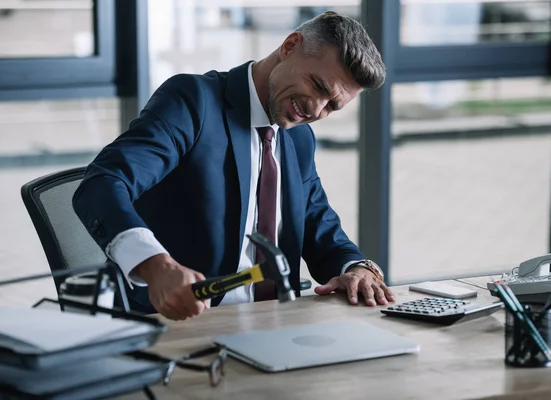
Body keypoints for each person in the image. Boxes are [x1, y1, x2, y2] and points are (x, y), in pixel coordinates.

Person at [73, 11, 395, 321]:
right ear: (289, 46)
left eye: (332, 107)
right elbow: (103, 182)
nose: (315, 109)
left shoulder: (299, 140)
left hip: (277, 325)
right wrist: (155, 265)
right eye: (318, 86)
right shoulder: (194, 102)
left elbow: (320, 228)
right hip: (181, 324)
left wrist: (356, 268)